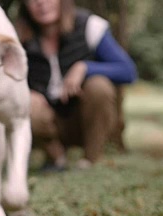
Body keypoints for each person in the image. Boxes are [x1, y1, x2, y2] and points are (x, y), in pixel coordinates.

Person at [16, 0, 137, 170]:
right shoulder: (18, 37)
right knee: (22, 99)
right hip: (47, 119)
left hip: (83, 117)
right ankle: (55, 157)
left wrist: (85, 67)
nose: (41, 3)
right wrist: (26, 92)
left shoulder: (89, 25)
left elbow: (128, 71)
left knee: (99, 86)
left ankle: (90, 160)